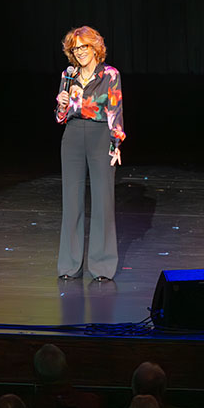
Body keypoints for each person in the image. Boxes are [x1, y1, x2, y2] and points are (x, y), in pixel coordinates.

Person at [55, 26, 125, 281]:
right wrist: (61, 104)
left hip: (99, 136)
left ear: (95, 47)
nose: (80, 52)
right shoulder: (68, 74)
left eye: (84, 46)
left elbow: (115, 109)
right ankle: (69, 266)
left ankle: (102, 266)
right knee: (71, 202)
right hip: (72, 136)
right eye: (76, 48)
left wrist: (115, 143)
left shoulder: (109, 74)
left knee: (102, 202)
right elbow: (60, 117)